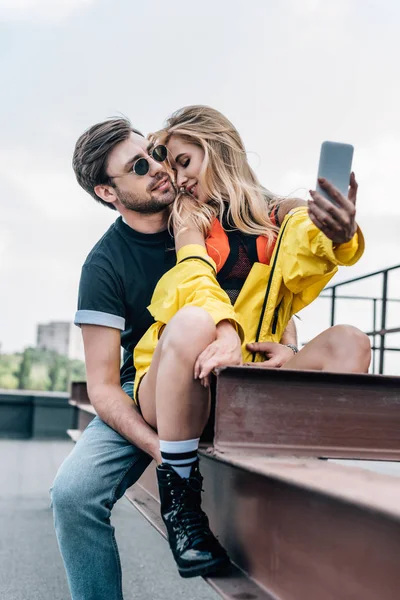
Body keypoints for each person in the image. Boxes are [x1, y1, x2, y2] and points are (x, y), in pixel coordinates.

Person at [51, 116, 302, 599]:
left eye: (157, 154)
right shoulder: (104, 265)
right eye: (139, 166)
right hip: (148, 392)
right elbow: (103, 386)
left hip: (234, 370)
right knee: (72, 496)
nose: (159, 169)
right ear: (108, 193)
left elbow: (268, 292)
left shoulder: (210, 209)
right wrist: (157, 449)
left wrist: (289, 344)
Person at [130, 106, 370, 578]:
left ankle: (311, 486)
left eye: (184, 162)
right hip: (175, 383)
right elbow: (194, 275)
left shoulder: (280, 216)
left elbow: (315, 253)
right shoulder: (188, 217)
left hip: (245, 383)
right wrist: (227, 332)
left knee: (350, 342)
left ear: (217, 149)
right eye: (171, 166)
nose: (177, 178)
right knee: (194, 320)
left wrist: (341, 233)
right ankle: (181, 505)